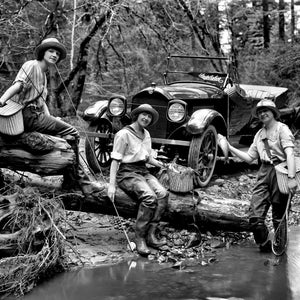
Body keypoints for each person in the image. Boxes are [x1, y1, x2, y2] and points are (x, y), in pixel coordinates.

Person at [0, 37, 102, 195]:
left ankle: (71, 181)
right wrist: (1, 100)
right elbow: (18, 85)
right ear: (43, 52)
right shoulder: (32, 65)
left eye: (57, 53)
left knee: (67, 137)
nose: (54, 55)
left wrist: (52, 119)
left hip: (36, 115)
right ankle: (82, 182)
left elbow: (42, 102)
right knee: (73, 132)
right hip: (27, 116)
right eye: (51, 51)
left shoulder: (44, 74)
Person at [219, 99, 298, 252]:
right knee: (255, 216)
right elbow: (249, 157)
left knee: (279, 217)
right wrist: (229, 147)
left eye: (265, 110)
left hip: (281, 171)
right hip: (263, 171)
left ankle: (280, 252)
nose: (262, 114)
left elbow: (290, 154)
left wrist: (292, 178)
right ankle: (264, 244)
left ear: (273, 112)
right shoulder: (259, 134)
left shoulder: (282, 129)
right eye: (260, 112)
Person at [108, 104, 169, 256]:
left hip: (143, 170)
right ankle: (140, 237)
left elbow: (146, 157)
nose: (146, 118)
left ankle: (151, 234)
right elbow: (115, 160)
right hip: (127, 173)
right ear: (137, 115)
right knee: (149, 197)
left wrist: (161, 164)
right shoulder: (123, 134)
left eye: (149, 116)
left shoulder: (146, 134)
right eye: (144, 115)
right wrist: (111, 185)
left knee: (162, 193)